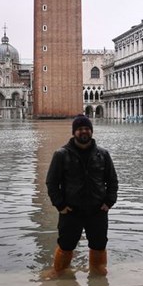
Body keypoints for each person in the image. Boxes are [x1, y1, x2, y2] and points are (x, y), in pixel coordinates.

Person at [45, 114, 119, 276]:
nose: (84, 132)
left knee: (99, 244)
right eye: (80, 129)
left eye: (87, 129)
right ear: (74, 132)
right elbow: (51, 183)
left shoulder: (103, 154)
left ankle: (97, 271)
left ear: (91, 131)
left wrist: (109, 202)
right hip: (71, 210)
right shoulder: (61, 154)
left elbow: (112, 181)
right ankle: (59, 271)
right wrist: (60, 205)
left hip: (98, 210)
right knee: (66, 244)